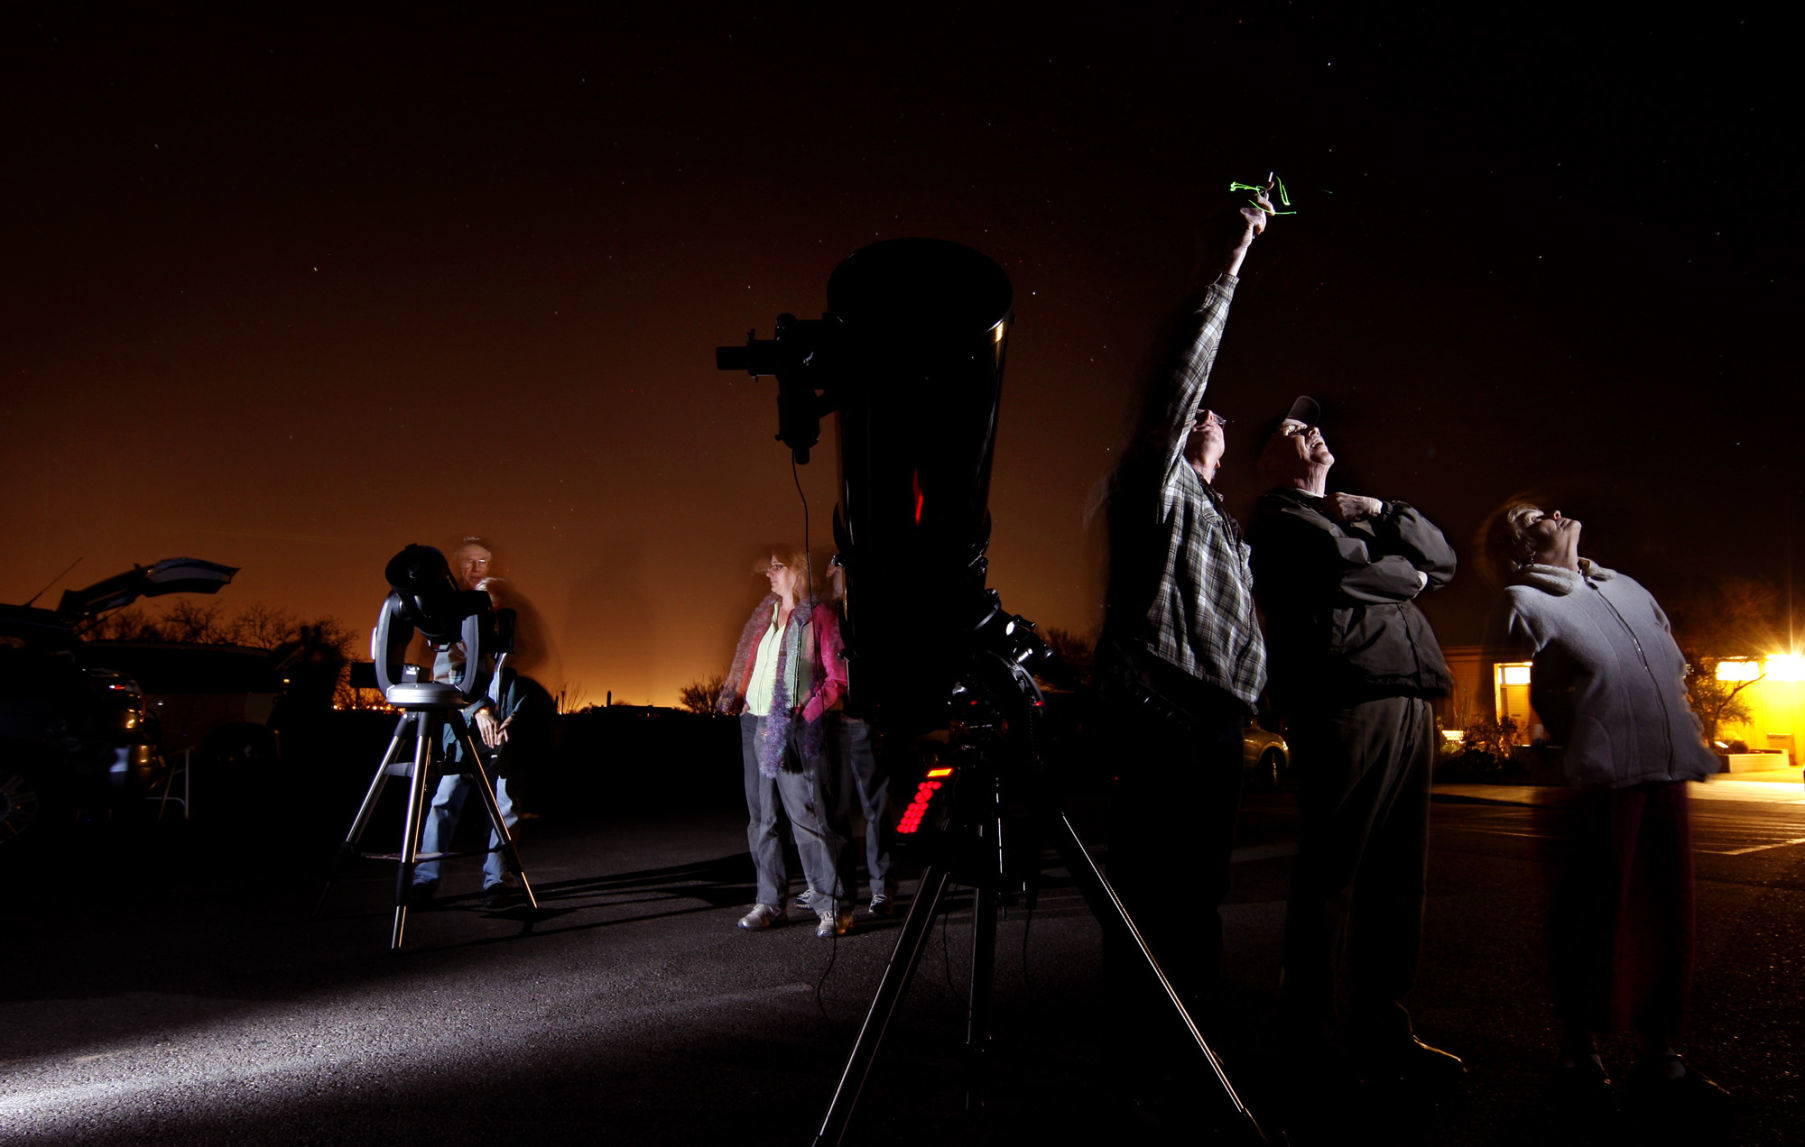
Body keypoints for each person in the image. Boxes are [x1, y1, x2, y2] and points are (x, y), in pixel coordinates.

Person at [1247, 399, 1462, 1085]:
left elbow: (1442, 561)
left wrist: (1381, 511)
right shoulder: (1279, 517)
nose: (1313, 431)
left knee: (1399, 872)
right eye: (1293, 429)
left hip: (1407, 691)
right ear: (1268, 459)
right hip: (1347, 695)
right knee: (1333, 868)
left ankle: (1380, 1020)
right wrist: (1408, 576)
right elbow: (1351, 572)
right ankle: (1307, 1032)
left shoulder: (1354, 517)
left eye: (1313, 424)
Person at [1094, 185, 1273, 1013]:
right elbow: (1175, 381)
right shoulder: (1155, 484)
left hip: (1220, 714)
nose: (1207, 413)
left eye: (1214, 416)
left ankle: (1194, 1033)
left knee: (1201, 889)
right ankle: (1138, 1041)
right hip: (1163, 700)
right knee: (1148, 886)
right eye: (1195, 412)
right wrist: (1227, 265)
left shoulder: (1223, 522)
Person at [1486, 502, 1727, 1108]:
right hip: (1597, 783)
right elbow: (1523, 695)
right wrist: (1570, 749)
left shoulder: (1629, 589)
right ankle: (1579, 1046)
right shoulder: (1523, 602)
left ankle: (1659, 1050)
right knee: (1591, 914)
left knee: (1667, 917)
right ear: (1521, 548)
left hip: (1666, 771)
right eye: (1534, 517)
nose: (1555, 513)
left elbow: (1671, 667)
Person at [717, 547, 854, 938]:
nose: (769, 573)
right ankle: (769, 902)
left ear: (798, 573)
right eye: (769, 567)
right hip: (754, 724)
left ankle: (832, 906)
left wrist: (805, 716)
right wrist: (739, 694)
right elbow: (751, 664)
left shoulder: (818, 616)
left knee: (807, 817)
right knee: (763, 820)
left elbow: (837, 678)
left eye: (778, 567)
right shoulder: (765, 616)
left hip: (792, 725)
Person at [410, 537, 530, 910]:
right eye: (470, 562)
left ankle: (498, 881)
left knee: (505, 807)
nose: (476, 570)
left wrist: (514, 717)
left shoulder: (511, 630)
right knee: (444, 802)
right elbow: (447, 675)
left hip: (502, 732)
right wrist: (478, 709)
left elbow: (525, 679)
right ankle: (424, 879)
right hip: (463, 730)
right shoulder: (452, 625)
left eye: (483, 562)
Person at [813, 556, 893, 917]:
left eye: (844, 567)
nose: (839, 573)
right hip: (833, 721)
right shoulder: (823, 614)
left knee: (876, 806)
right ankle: (841, 893)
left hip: (865, 720)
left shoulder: (870, 613)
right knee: (836, 811)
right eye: (836, 567)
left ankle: (883, 887)